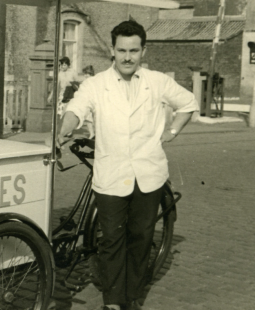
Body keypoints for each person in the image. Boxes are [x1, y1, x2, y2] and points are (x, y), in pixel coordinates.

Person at [57, 20, 198, 310]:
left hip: (149, 173)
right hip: (111, 174)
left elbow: (188, 102)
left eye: (134, 50)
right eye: (122, 50)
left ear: (143, 51)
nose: (127, 57)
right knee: (110, 240)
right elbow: (76, 109)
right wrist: (64, 129)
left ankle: (132, 297)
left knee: (141, 238)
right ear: (112, 50)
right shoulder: (96, 85)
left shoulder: (157, 81)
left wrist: (171, 132)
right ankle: (112, 302)